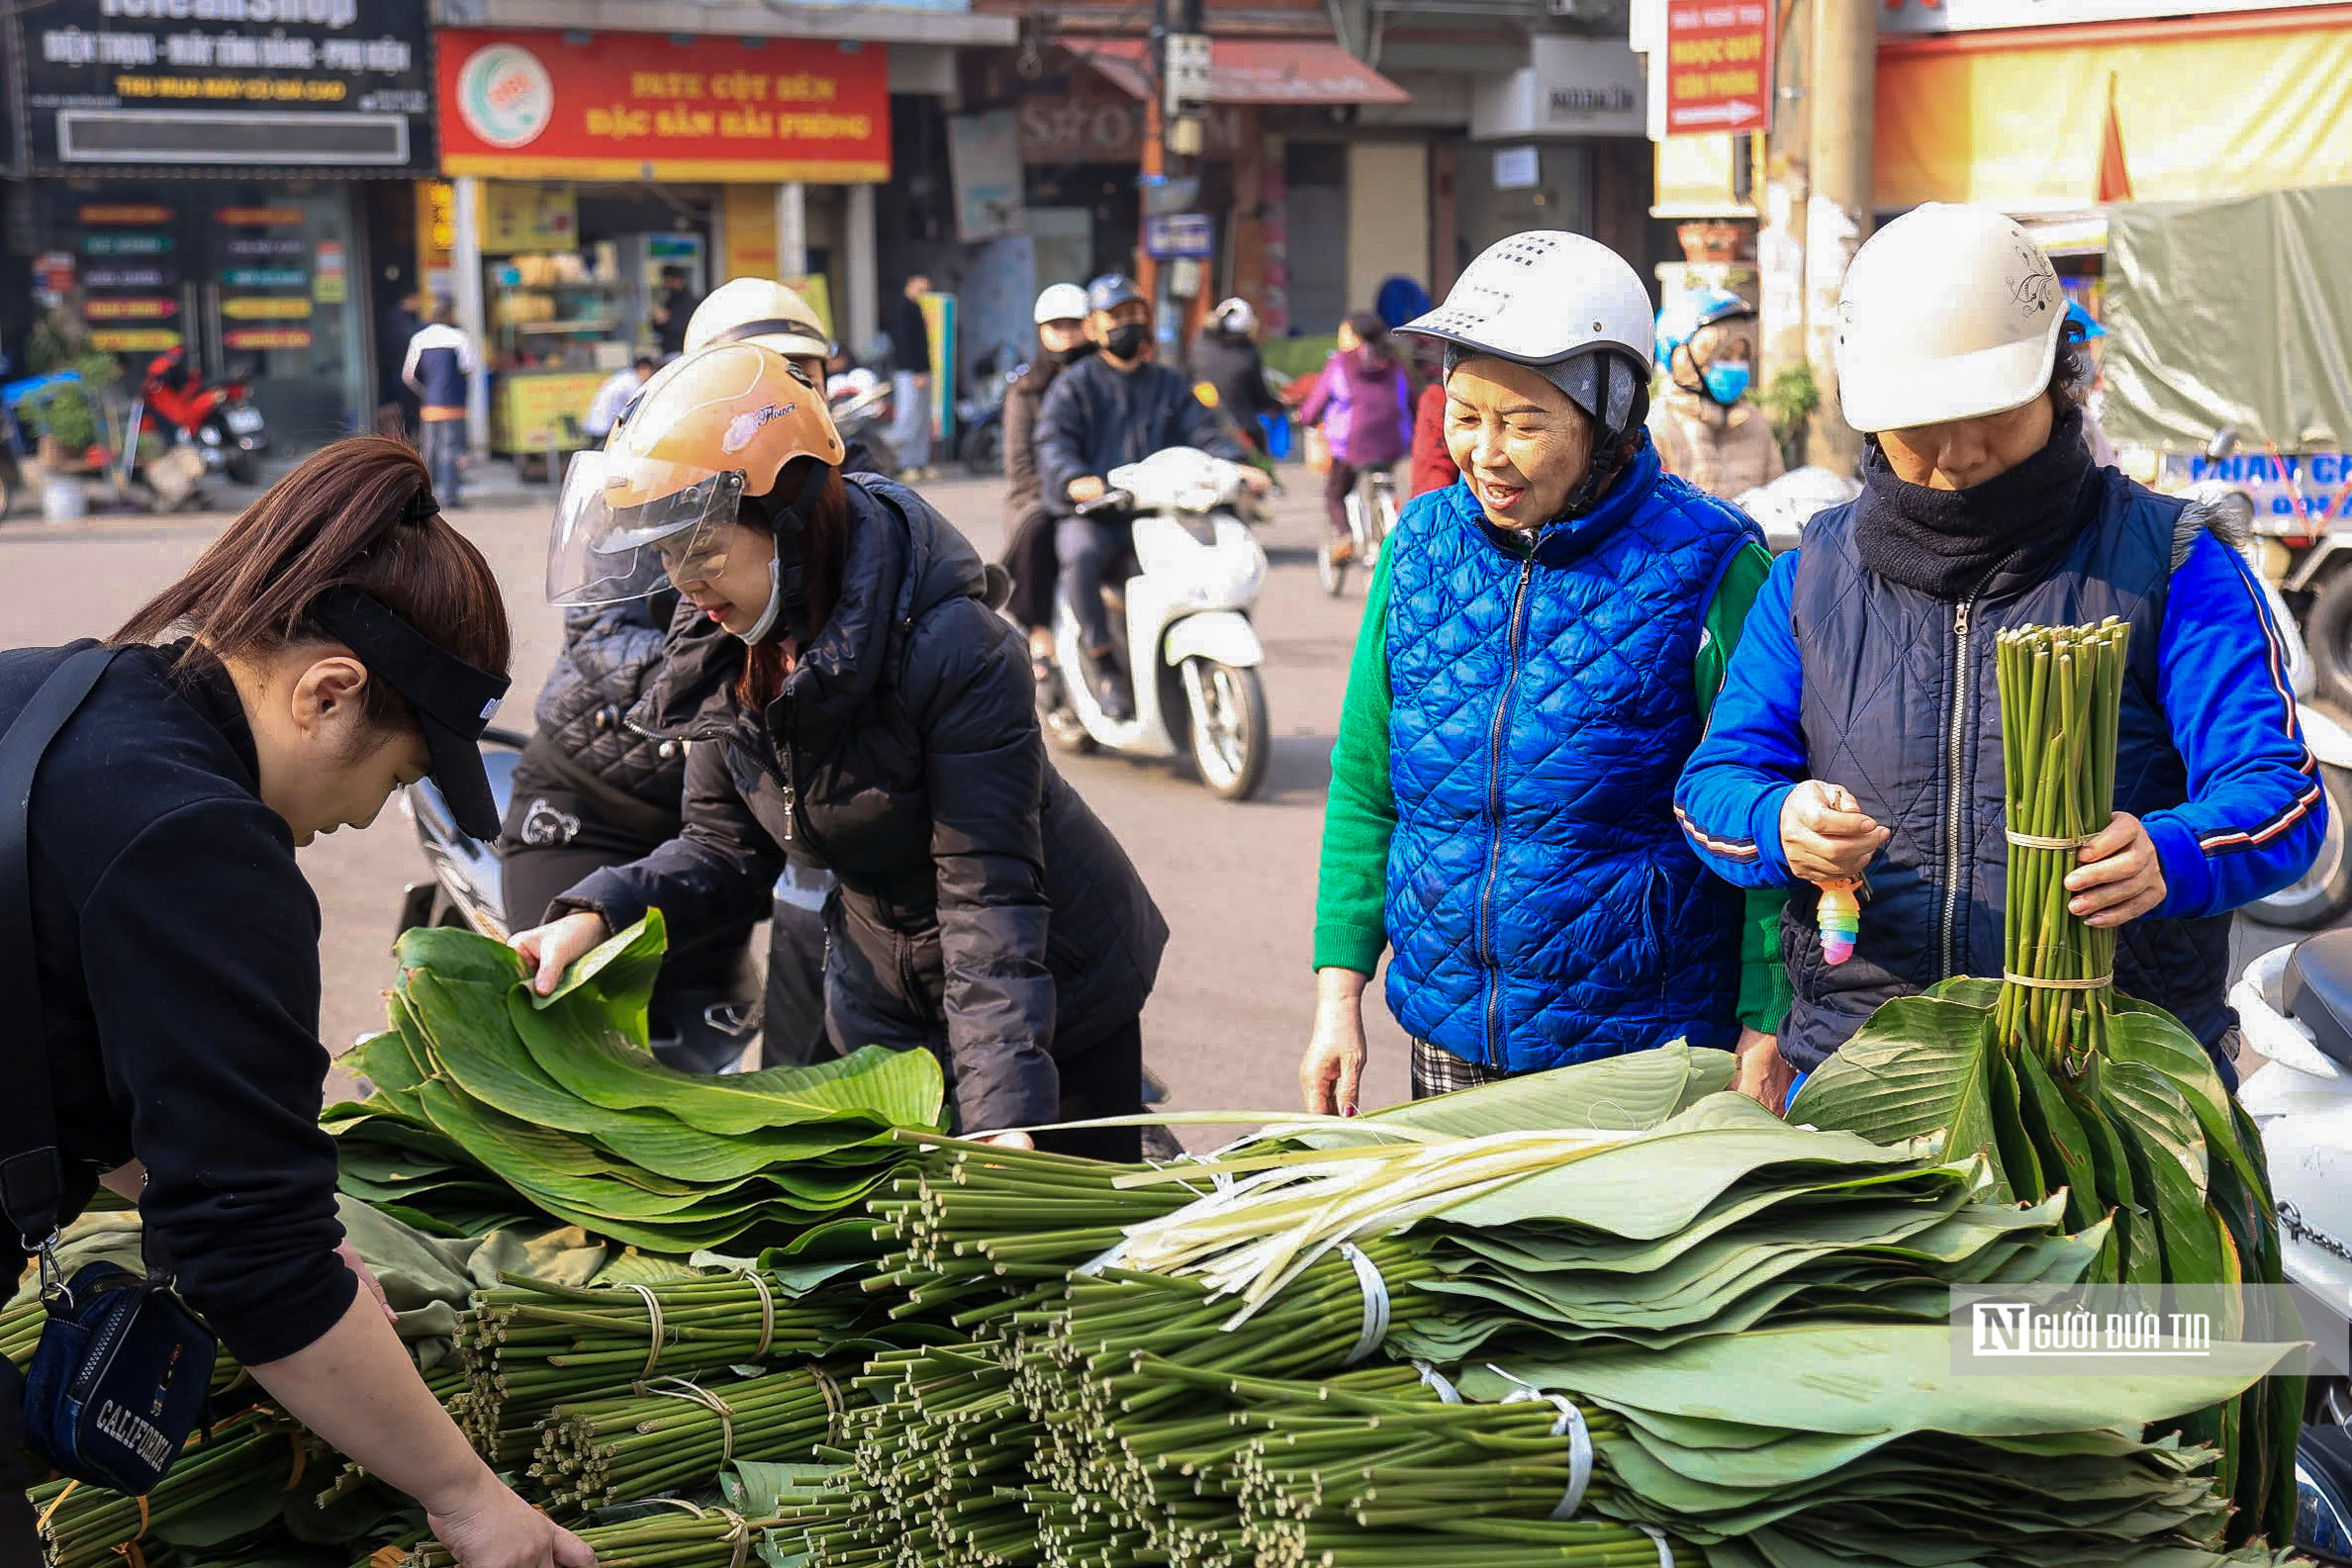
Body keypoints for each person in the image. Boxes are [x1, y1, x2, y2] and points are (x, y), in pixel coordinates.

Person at [0, 436, 592, 1568]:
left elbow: (63, 1019)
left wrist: (263, 1221)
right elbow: (252, 1260)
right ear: (331, 692)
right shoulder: (200, 845)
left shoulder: (55, 691)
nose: (371, 817)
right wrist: (470, 1500)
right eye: (400, 776)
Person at [1674, 203, 2324, 1109]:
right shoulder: (1811, 577)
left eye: (1992, 413)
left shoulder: (2173, 562)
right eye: (1919, 424)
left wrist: (2167, 854)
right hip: (1865, 1084)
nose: (1958, 453)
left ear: (2059, 381)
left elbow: (2284, 798)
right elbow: (1711, 786)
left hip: (2108, 1086)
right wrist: (1776, 819)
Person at [515, 344, 1169, 1158]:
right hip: (881, 993)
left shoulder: (957, 648)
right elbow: (721, 849)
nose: (684, 582)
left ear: (789, 512)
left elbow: (987, 898)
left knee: (1050, 1257)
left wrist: (1003, 1111)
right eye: (666, 555)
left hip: (1047, 995)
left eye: (702, 548)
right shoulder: (721, 643)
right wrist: (596, 912)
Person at [1300, 231, 1785, 1115]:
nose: (1484, 453)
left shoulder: (1713, 562)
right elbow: (1368, 786)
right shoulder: (1418, 546)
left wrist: (1765, 1023)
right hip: (1446, 1032)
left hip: (1638, 1047)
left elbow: (1759, 807)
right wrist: (1339, 996)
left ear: (1609, 417)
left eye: (1524, 424)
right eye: (1465, 415)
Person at [1034, 274, 1263, 722]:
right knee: (1079, 555)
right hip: (1098, 515)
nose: (1128, 324)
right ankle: (1102, 661)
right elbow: (1053, 444)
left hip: (1163, 515)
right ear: (1096, 326)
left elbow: (1205, 433)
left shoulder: (1168, 384)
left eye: (1135, 314)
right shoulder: (1073, 386)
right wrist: (1077, 478)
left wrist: (1237, 465)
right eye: (1116, 317)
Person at [1002, 283, 1093, 701]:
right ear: (1042, 331)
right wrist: (1066, 493)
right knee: (1037, 529)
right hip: (1042, 496)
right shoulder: (1026, 390)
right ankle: (1040, 637)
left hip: (1108, 492)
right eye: (1058, 326)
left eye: (1075, 325)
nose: (1068, 335)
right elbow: (1020, 467)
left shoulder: (1106, 377)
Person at [1298, 311, 1414, 562]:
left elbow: (1314, 406)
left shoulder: (1340, 363)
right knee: (1383, 480)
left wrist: (1306, 418)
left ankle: (1344, 537)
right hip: (1393, 443)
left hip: (1352, 446)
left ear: (1354, 336)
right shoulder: (1395, 363)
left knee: (1335, 493)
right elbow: (1413, 401)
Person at [1648, 287, 1784, 500]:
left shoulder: (1754, 421)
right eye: (1725, 356)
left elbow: (1779, 501)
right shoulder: (1660, 425)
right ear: (1685, 359)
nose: (1737, 366)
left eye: (1742, 356)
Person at [1187, 297, 1284, 459]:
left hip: (1201, 428)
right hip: (1243, 432)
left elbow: (1188, 381)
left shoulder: (1198, 346)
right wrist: (1279, 405)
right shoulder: (1248, 353)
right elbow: (1260, 396)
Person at [402, 297, 476, 507]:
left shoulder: (419, 339)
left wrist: (426, 392)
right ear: (450, 315)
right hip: (454, 404)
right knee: (451, 449)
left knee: (430, 450)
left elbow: (408, 375)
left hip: (431, 405)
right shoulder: (459, 338)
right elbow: (468, 368)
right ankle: (451, 496)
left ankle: (426, 496)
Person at [887, 273, 937, 482]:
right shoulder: (902, 308)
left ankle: (919, 462)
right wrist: (916, 371)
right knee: (909, 416)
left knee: (923, 418)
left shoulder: (916, 306)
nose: (927, 287)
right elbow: (905, 343)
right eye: (924, 282)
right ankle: (902, 463)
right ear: (913, 281)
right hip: (909, 372)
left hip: (920, 370)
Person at [583, 356, 656, 442]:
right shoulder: (632, 383)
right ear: (644, 369)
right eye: (651, 372)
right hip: (603, 427)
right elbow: (639, 408)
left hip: (598, 423)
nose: (651, 376)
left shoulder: (627, 376)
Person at [649, 265, 699, 359]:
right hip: (669, 351)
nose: (666, 285)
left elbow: (687, 327)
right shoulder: (670, 299)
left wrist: (668, 320)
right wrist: (657, 321)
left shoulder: (689, 301)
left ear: (677, 280)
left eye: (668, 281)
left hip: (682, 352)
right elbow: (658, 327)